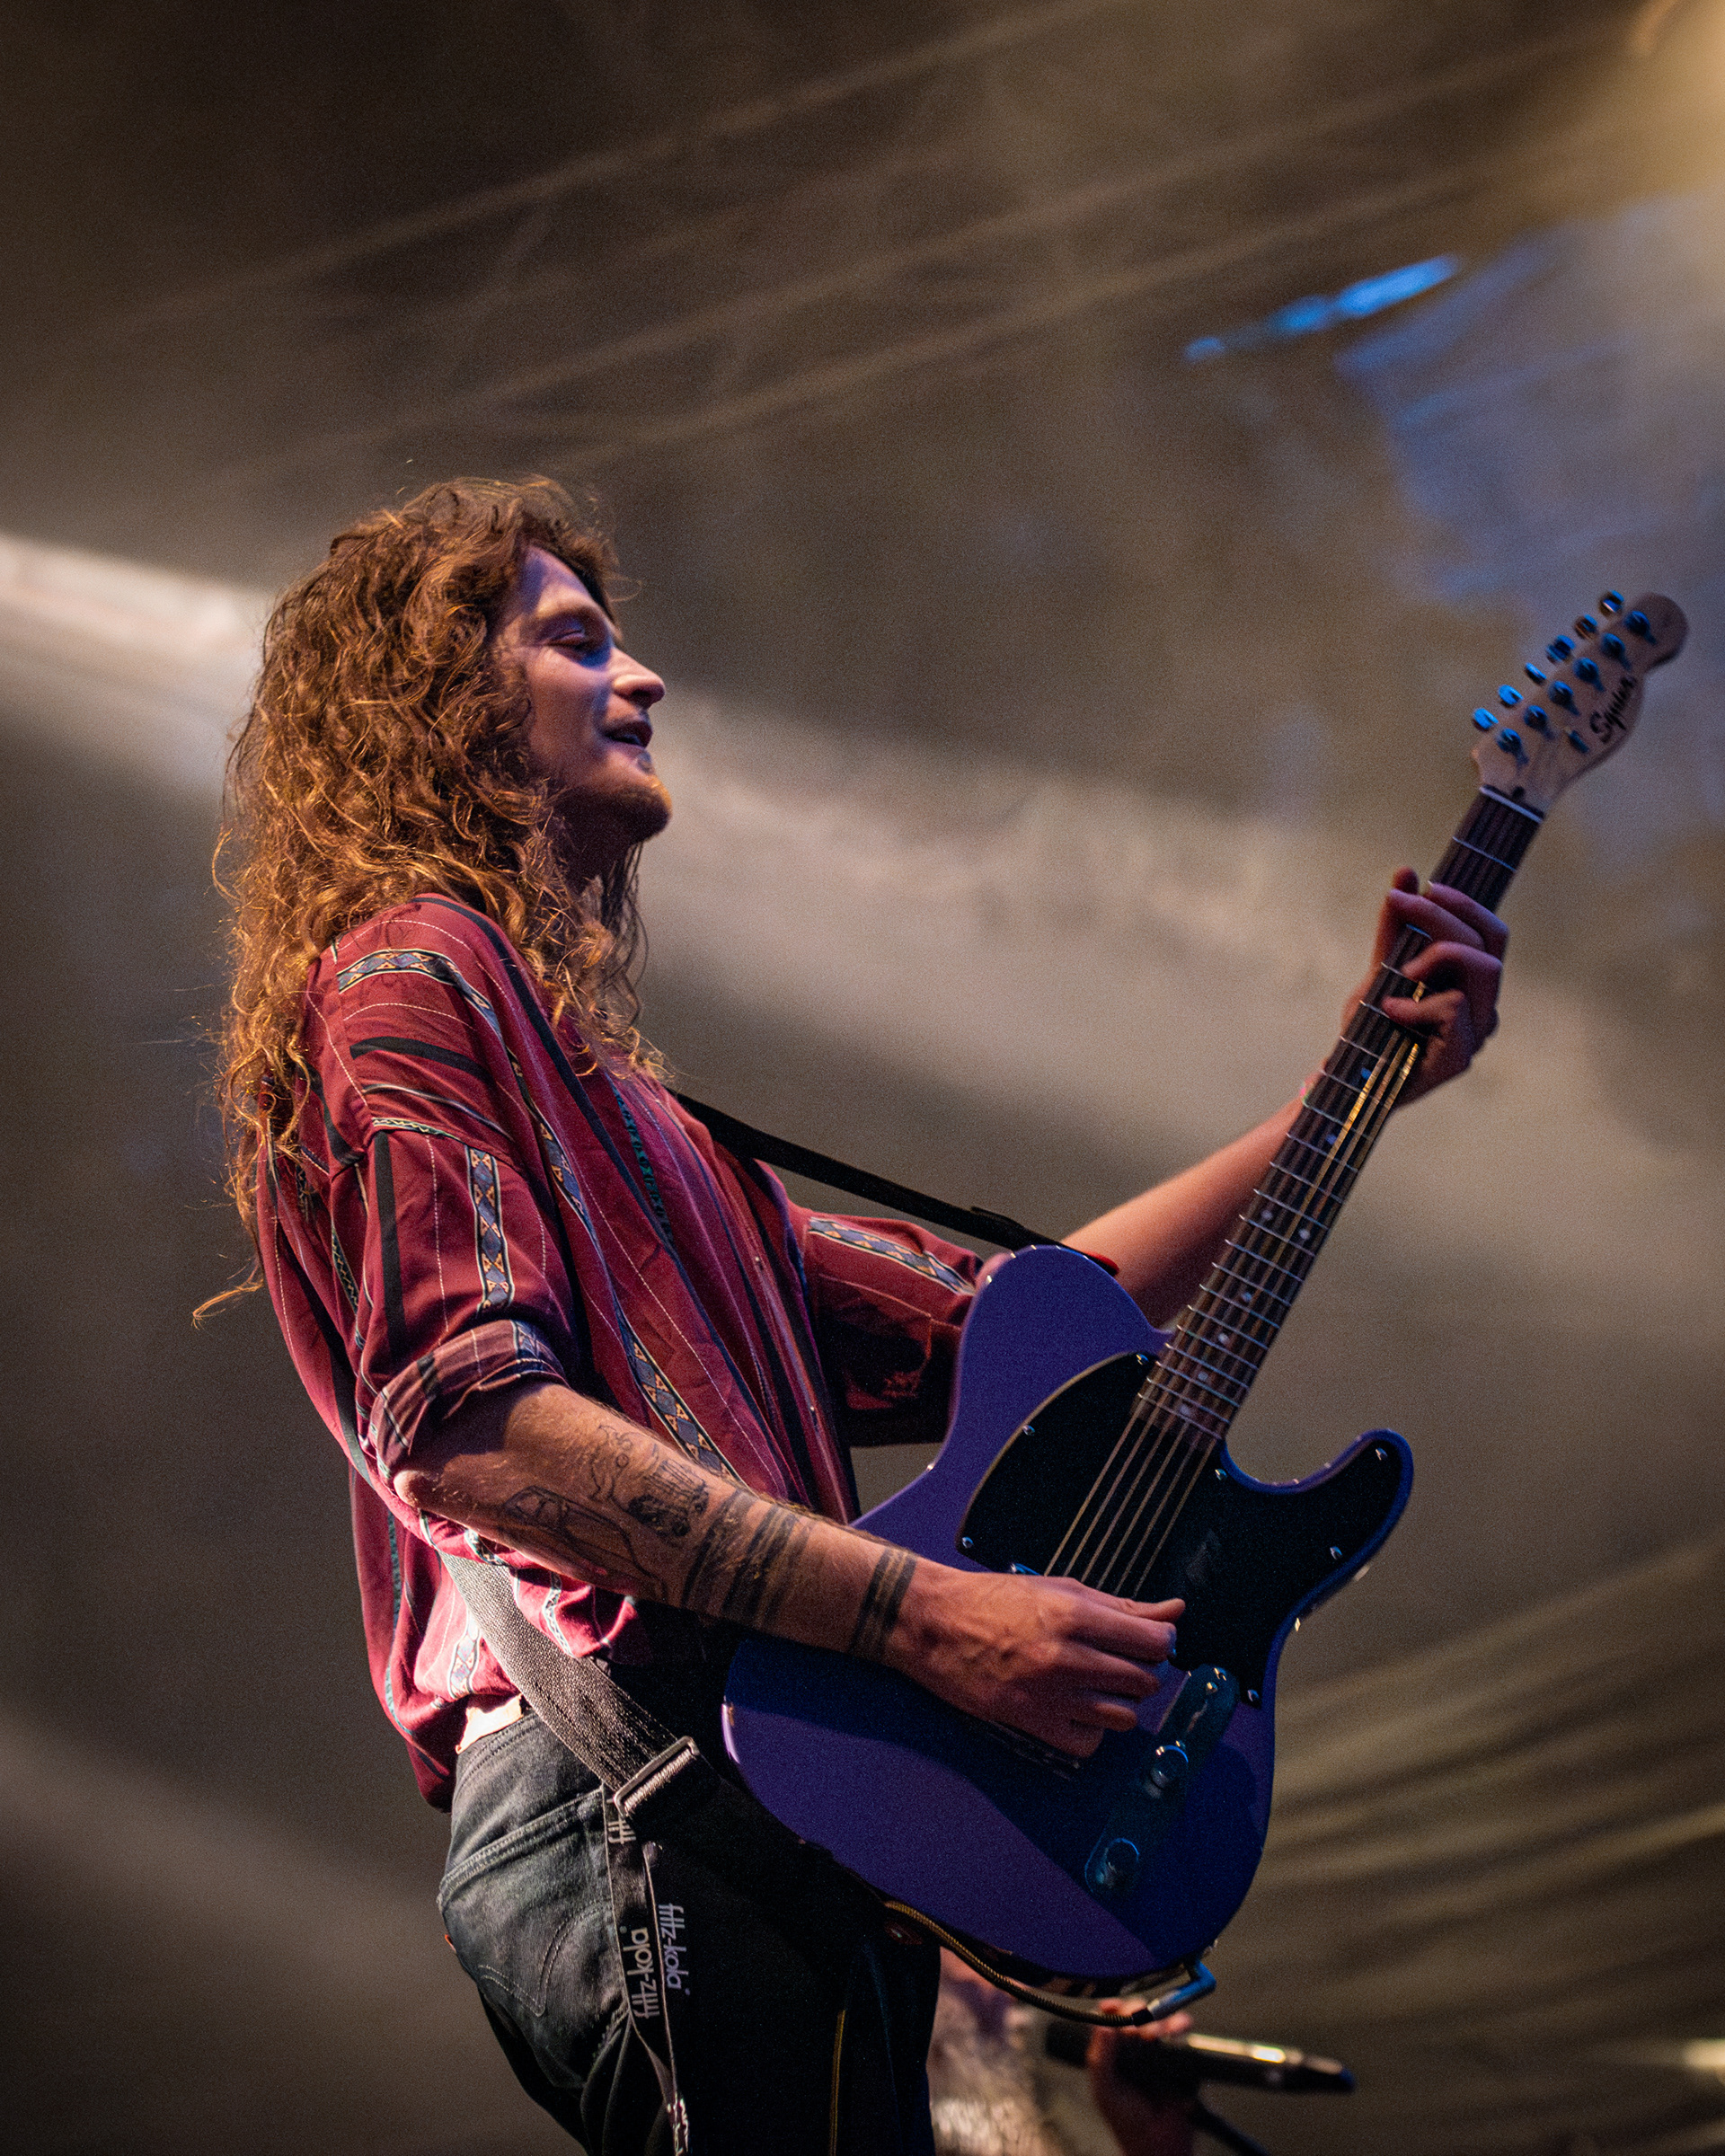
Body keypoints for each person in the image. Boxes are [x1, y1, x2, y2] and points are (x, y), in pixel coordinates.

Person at [213, 478, 1504, 2153]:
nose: (643, 676)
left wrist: (1353, 1094)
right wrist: (929, 1622)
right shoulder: (405, 974)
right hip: (631, 1787)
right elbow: (472, 1435)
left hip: (772, 1795)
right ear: (439, 696)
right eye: (576, 642)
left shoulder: (642, 1125)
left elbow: (1043, 1324)